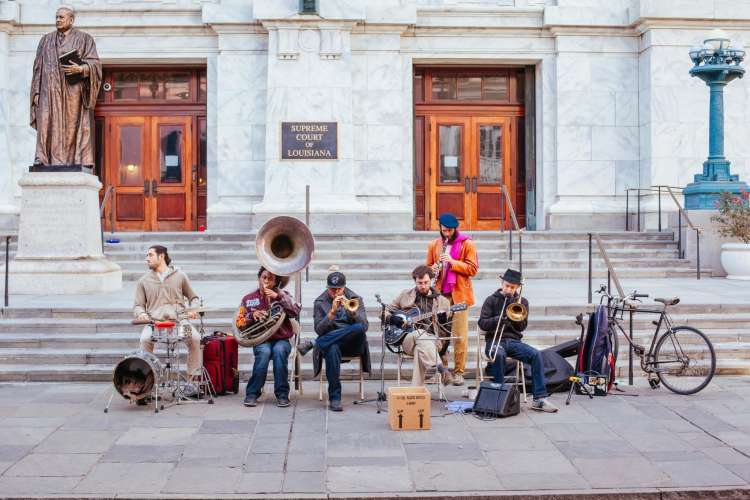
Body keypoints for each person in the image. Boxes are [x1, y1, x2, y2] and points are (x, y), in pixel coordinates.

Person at [478, 268, 558, 413]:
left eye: (512, 287)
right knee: (499, 354)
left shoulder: (522, 302)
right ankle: (498, 395)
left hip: (514, 342)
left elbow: (521, 328)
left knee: (536, 355)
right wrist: (499, 319)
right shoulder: (491, 300)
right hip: (495, 341)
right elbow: (482, 323)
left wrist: (514, 315)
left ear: (518, 288)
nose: (509, 289)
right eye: (507, 285)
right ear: (502, 283)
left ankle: (539, 398)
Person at [30, 6, 102, 166]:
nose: (58, 20)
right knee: (46, 121)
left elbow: (95, 64)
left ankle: (75, 161)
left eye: (61, 17)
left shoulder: (85, 39)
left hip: (72, 91)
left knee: (72, 125)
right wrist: (35, 92)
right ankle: (42, 158)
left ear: (71, 19)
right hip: (48, 90)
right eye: (56, 17)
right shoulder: (45, 40)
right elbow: (37, 67)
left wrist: (81, 68)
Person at [133, 245, 202, 395]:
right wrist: (141, 314)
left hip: (180, 321)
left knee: (195, 338)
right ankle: (146, 385)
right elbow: (138, 305)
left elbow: (194, 297)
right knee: (144, 339)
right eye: (146, 255)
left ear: (162, 256)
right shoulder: (143, 280)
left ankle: (192, 383)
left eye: (150, 255)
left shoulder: (180, 275)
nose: (147, 258)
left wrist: (193, 310)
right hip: (154, 323)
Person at [298, 270, 370, 412]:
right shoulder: (320, 302)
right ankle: (335, 398)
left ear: (344, 287)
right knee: (331, 349)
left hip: (353, 343)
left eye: (339, 289)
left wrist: (352, 312)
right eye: (332, 289)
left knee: (358, 327)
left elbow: (365, 326)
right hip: (332, 343)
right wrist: (331, 312)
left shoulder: (356, 299)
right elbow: (319, 330)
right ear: (327, 287)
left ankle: (315, 343)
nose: (336, 292)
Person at [426, 212, 478, 386]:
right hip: (441, 295)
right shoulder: (434, 244)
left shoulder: (467, 243)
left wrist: (453, 261)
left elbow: (473, 269)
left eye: (449, 231)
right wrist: (432, 269)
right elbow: (426, 268)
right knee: (440, 334)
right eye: (443, 230)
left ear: (455, 229)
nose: (446, 233)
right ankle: (442, 371)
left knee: (460, 335)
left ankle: (459, 372)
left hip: (460, 295)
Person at [236, 267, 301, 408]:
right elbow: (240, 323)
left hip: (281, 339)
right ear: (259, 278)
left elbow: (295, 311)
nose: (266, 281)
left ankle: (282, 394)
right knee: (264, 352)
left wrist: (279, 297)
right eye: (264, 277)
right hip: (261, 339)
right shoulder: (249, 299)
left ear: (276, 281)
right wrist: (252, 316)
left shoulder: (284, 295)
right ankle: (252, 393)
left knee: (279, 352)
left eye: (270, 279)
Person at [386, 265, 454, 386]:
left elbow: (446, 332)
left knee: (420, 345)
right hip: (408, 340)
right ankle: (442, 369)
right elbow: (384, 311)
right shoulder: (405, 295)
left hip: (433, 341)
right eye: (419, 283)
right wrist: (392, 318)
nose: (423, 286)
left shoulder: (443, 302)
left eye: (426, 282)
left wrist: (442, 321)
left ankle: (416, 392)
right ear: (415, 281)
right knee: (418, 334)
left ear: (432, 280)